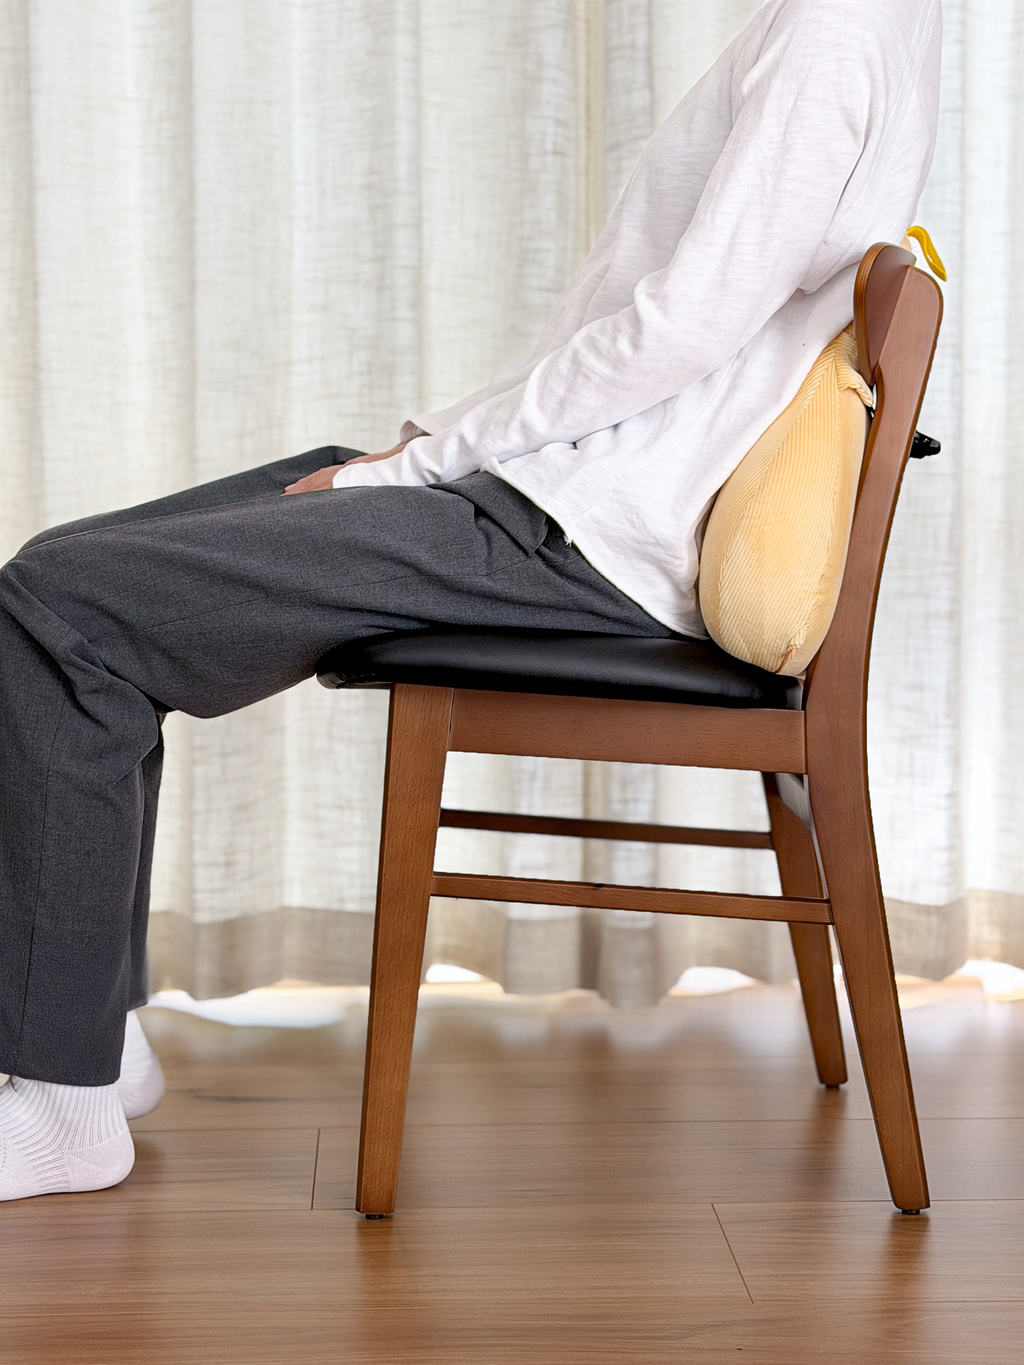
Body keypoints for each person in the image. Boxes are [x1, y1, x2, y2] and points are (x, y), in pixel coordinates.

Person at [0, 0, 941, 1201]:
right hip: (573, 495)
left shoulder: (832, 35)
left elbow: (678, 328)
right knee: (73, 568)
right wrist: (444, 442)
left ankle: (67, 1105)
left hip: (583, 536)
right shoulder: (882, 22)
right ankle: (85, 1039)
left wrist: (413, 469)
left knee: (60, 606)